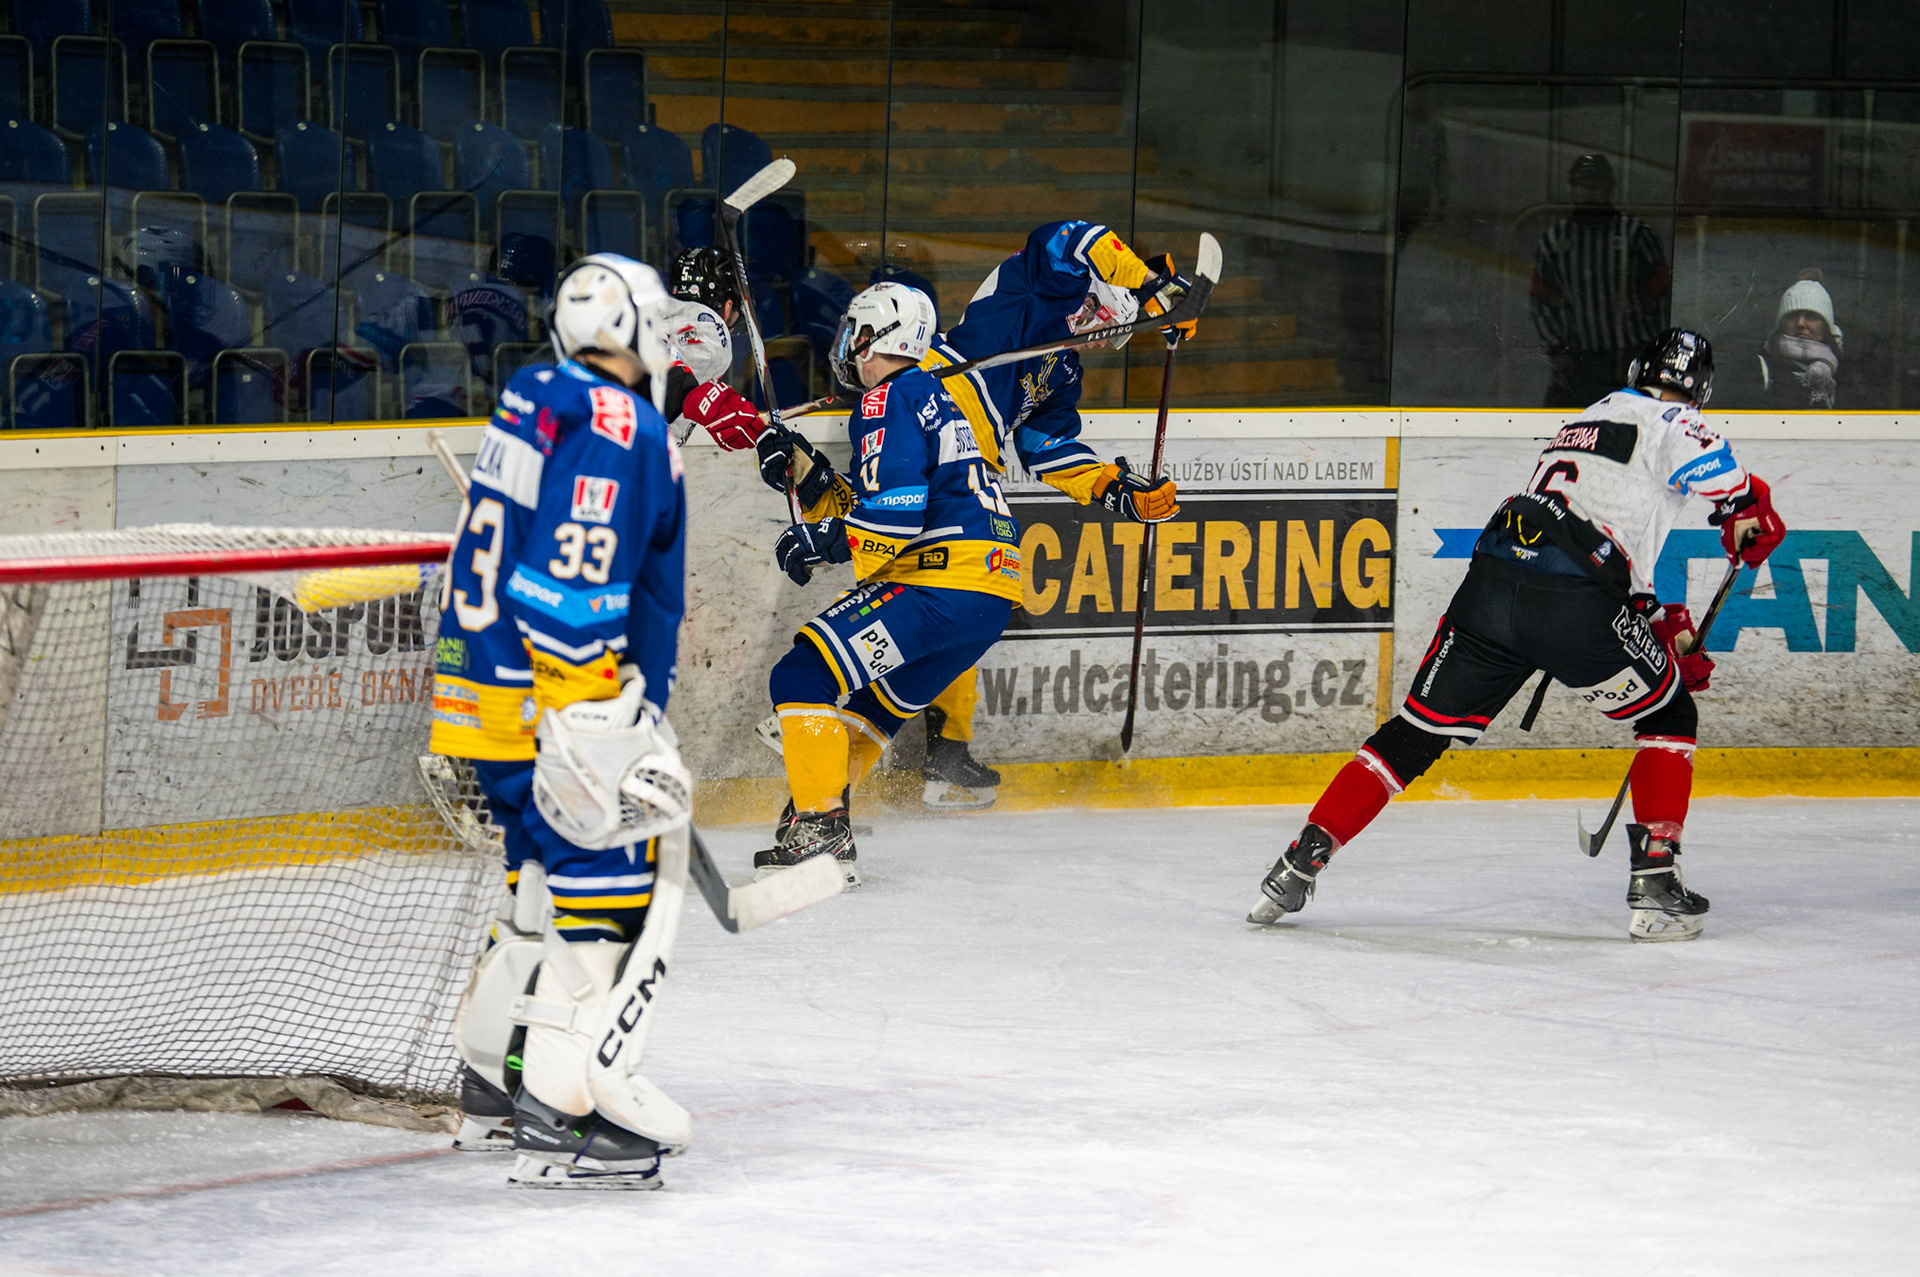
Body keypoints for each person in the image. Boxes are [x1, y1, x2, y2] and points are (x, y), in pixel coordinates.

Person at [1247, 328, 1786, 943]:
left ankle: (1298, 862)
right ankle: (1656, 884)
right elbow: (1725, 489)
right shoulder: (1677, 420)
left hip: (1493, 586)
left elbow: (1602, 542)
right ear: (1701, 390)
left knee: (1413, 736)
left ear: (1639, 370)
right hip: (1570, 603)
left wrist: (1660, 626)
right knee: (1669, 715)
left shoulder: (1589, 417)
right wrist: (1749, 509)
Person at [429, 253, 694, 1188]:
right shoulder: (619, 420)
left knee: (535, 883)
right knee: (604, 892)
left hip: (481, 693)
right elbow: (570, 577)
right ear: (631, 328)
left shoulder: (535, 394)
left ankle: (488, 1085)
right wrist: (594, 714)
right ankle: (561, 1109)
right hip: (551, 700)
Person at [749, 281, 1024, 883]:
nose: (847, 343)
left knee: (801, 675)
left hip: (940, 585)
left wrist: (820, 541)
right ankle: (825, 814)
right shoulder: (933, 395)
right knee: (874, 707)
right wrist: (807, 472)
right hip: (988, 597)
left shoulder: (885, 399)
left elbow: (895, 516)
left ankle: (822, 827)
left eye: (854, 331)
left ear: (874, 336)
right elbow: (884, 498)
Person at [1530, 154, 1672, 407]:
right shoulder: (1555, 240)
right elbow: (1541, 299)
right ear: (1571, 189)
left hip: (1632, 354)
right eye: (1583, 186)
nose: (1590, 193)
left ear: (1610, 188)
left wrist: (1653, 349)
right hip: (1579, 359)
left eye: (1596, 186)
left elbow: (1661, 293)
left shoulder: (1636, 235)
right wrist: (1557, 350)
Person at [1753, 269, 1843, 409]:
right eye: (1792, 316)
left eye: (1811, 317)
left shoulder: (1847, 376)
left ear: (1825, 327)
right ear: (1781, 324)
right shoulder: (1757, 370)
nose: (1800, 323)